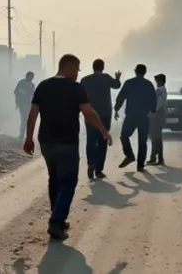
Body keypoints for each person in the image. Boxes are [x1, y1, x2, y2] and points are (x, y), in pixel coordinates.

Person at [23, 54, 112, 241]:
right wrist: (103, 130)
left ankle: (58, 218)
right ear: (68, 67)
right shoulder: (75, 88)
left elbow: (33, 114)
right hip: (67, 142)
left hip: (46, 141)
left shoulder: (43, 86)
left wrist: (28, 138)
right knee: (68, 181)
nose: (78, 73)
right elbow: (88, 112)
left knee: (54, 179)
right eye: (77, 69)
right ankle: (56, 221)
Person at [80, 59, 122, 180]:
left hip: (89, 114)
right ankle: (99, 170)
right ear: (102, 67)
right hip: (105, 114)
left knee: (91, 140)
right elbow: (117, 85)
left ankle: (90, 162)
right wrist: (117, 78)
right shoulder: (106, 78)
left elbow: (80, 95)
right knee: (103, 140)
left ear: (93, 67)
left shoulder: (85, 80)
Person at [114, 64, 157, 172]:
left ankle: (129, 155)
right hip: (144, 116)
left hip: (131, 115)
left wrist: (116, 109)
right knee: (142, 141)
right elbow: (153, 100)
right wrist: (152, 111)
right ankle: (140, 165)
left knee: (124, 136)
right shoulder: (149, 84)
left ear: (135, 72)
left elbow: (121, 96)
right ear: (144, 72)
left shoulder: (129, 83)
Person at [148, 74, 168, 166]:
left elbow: (158, 104)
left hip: (157, 115)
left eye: (156, 81)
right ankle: (154, 157)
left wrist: (152, 113)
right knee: (155, 137)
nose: (156, 82)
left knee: (156, 137)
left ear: (160, 81)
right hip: (158, 115)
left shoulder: (160, 90)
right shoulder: (162, 89)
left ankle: (159, 158)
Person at [14, 72, 36, 140]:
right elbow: (15, 91)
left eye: (32, 77)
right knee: (24, 119)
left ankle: (26, 135)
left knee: (27, 120)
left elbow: (33, 94)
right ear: (27, 76)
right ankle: (22, 135)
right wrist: (21, 92)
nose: (31, 78)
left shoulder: (32, 85)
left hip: (28, 104)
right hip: (22, 103)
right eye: (30, 77)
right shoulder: (21, 82)